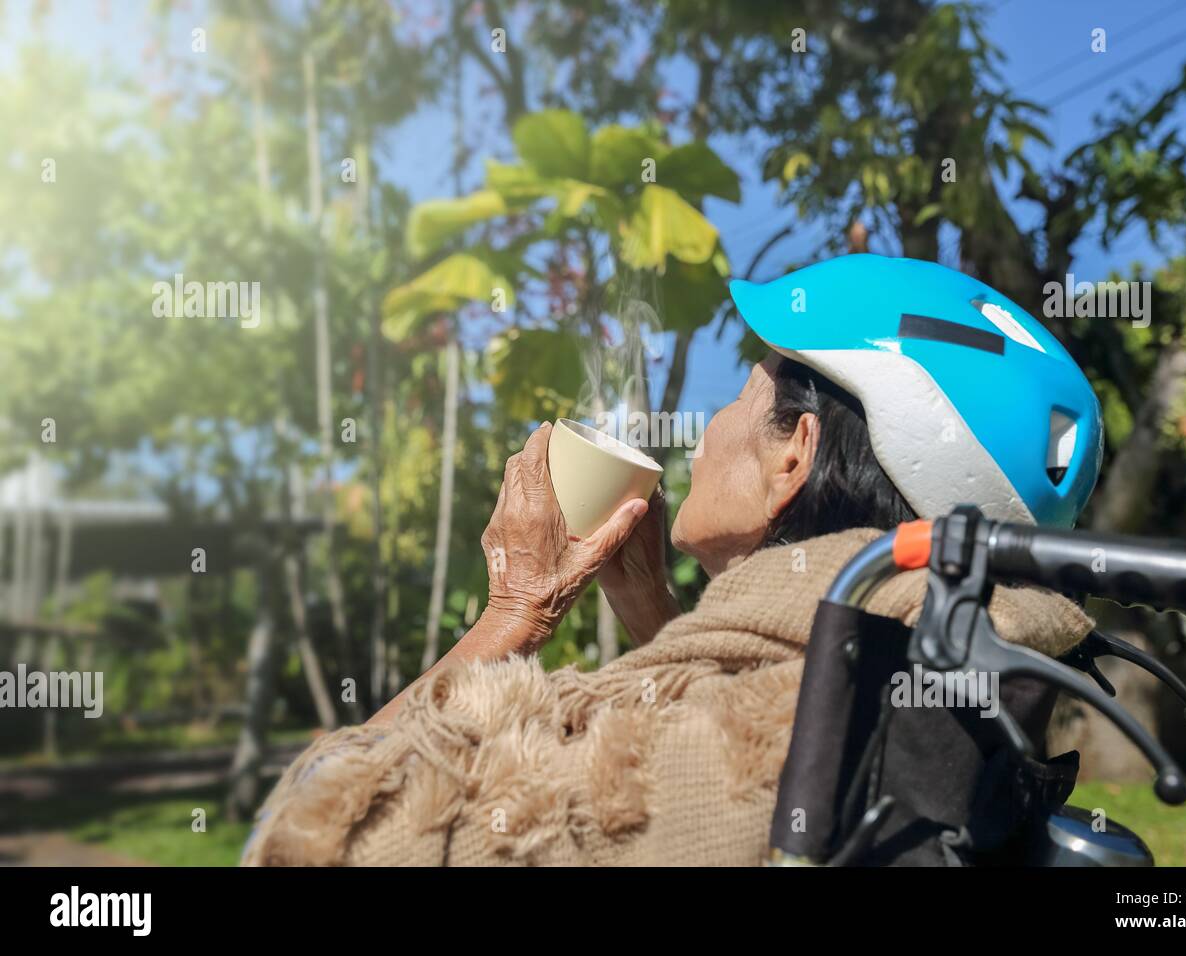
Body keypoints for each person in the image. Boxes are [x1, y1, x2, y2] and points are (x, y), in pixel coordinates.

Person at [241, 254, 1103, 866]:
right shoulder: (924, 701)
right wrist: (656, 611)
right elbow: (761, 687)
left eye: (739, 396)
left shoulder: (691, 764)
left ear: (792, 457)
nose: (710, 426)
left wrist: (516, 610)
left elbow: (304, 844)